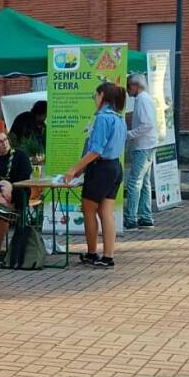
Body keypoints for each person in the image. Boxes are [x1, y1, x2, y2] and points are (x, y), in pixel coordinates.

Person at [64, 82, 127, 268]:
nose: (94, 100)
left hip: (100, 169)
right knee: (106, 212)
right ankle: (108, 256)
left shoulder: (102, 118)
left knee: (89, 210)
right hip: (115, 167)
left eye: (95, 96)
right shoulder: (119, 118)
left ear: (102, 96)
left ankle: (92, 253)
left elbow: (96, 150)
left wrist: (74, 169)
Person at [0, 130, 33, 263]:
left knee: (4, 212)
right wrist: (0, 190)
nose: (3, 144)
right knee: (2, 212)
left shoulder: (20, 156)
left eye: (5, 140)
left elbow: (24, 178)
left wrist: (9, 188)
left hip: (18, 193)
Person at [123, 74, 158, 232]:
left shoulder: (143, 100)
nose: (127, 90)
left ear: (136, 86)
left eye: (129, 86)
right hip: (147, 145)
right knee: (144, 182)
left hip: (143, 145)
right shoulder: (144, 99)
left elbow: (147, 124)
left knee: (134, 182)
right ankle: (145, 217)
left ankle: (131, 218)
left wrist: (130, 134)